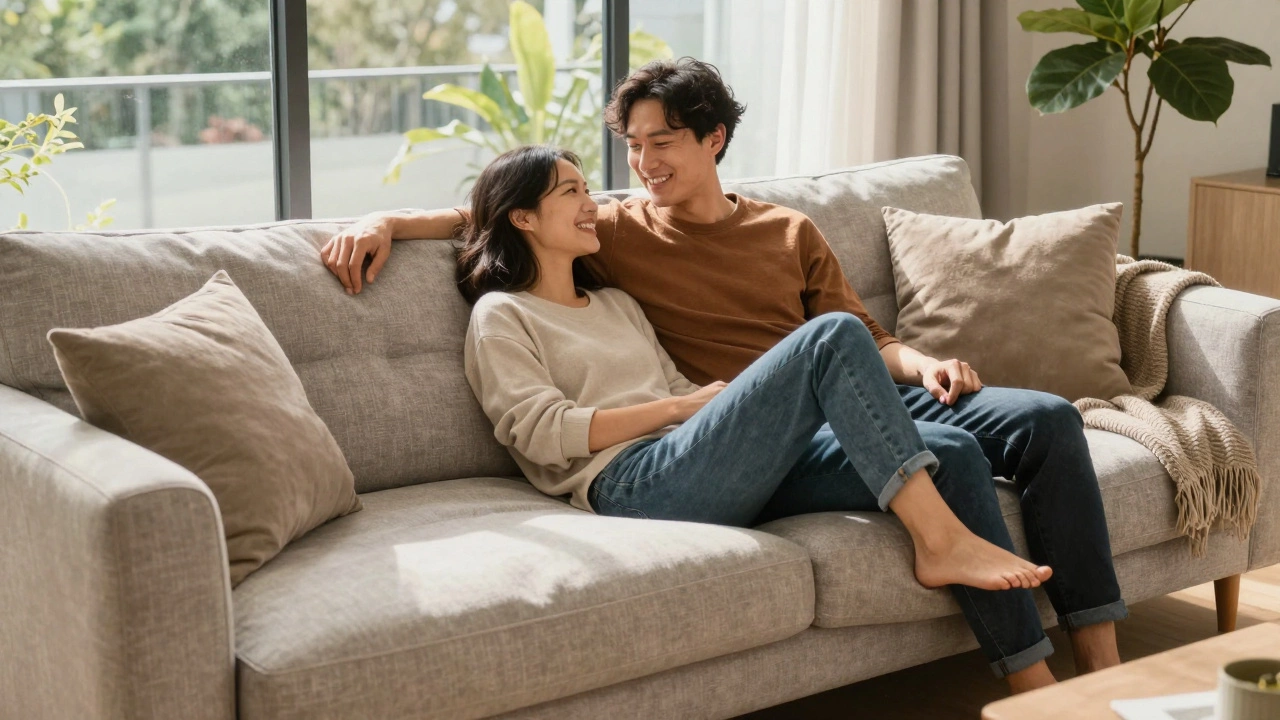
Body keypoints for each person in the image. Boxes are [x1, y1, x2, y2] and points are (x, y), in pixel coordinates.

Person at [320, 59, 1126, 693]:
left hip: (791, 417)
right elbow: (499, 213)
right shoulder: (587, 255)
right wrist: (387, 219)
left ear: (712, 140)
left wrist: (924, 363)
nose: (637, 166)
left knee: (1022, 425)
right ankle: (943, 543)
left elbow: (869, 337)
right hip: (676, 457)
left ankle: (1064, 679)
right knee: (832, 338)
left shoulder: (640, 279)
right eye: (629, 148)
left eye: (659, 143)